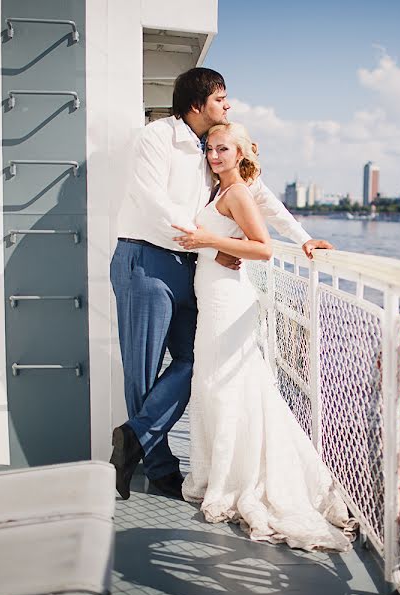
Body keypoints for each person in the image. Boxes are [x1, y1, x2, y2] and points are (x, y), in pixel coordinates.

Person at [109, 67, 332, 501]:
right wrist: (204, 237)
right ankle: (158, 467)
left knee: (196, 357)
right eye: (221, 99)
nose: (228, 106)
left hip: (190, 264)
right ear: (197, 104)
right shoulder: (157, 137)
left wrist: (304, 240)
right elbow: (149, 196)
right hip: (145, 258)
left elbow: (261, 198)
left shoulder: (218, 148)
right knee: (142, 370)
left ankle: (134, 437)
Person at [172, 122, 355, 551]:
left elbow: (263, 246)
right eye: (210, 149)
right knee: (218, 383)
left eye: (223, 149)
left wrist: (210, 239)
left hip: (226, 298)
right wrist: (217, 243)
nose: (214, 156)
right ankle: (227, 472)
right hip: (213, 291)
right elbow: (245, 233)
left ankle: (242, 479)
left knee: (225, 383)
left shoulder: (237, 192)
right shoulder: (220, 190)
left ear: (240, 154)